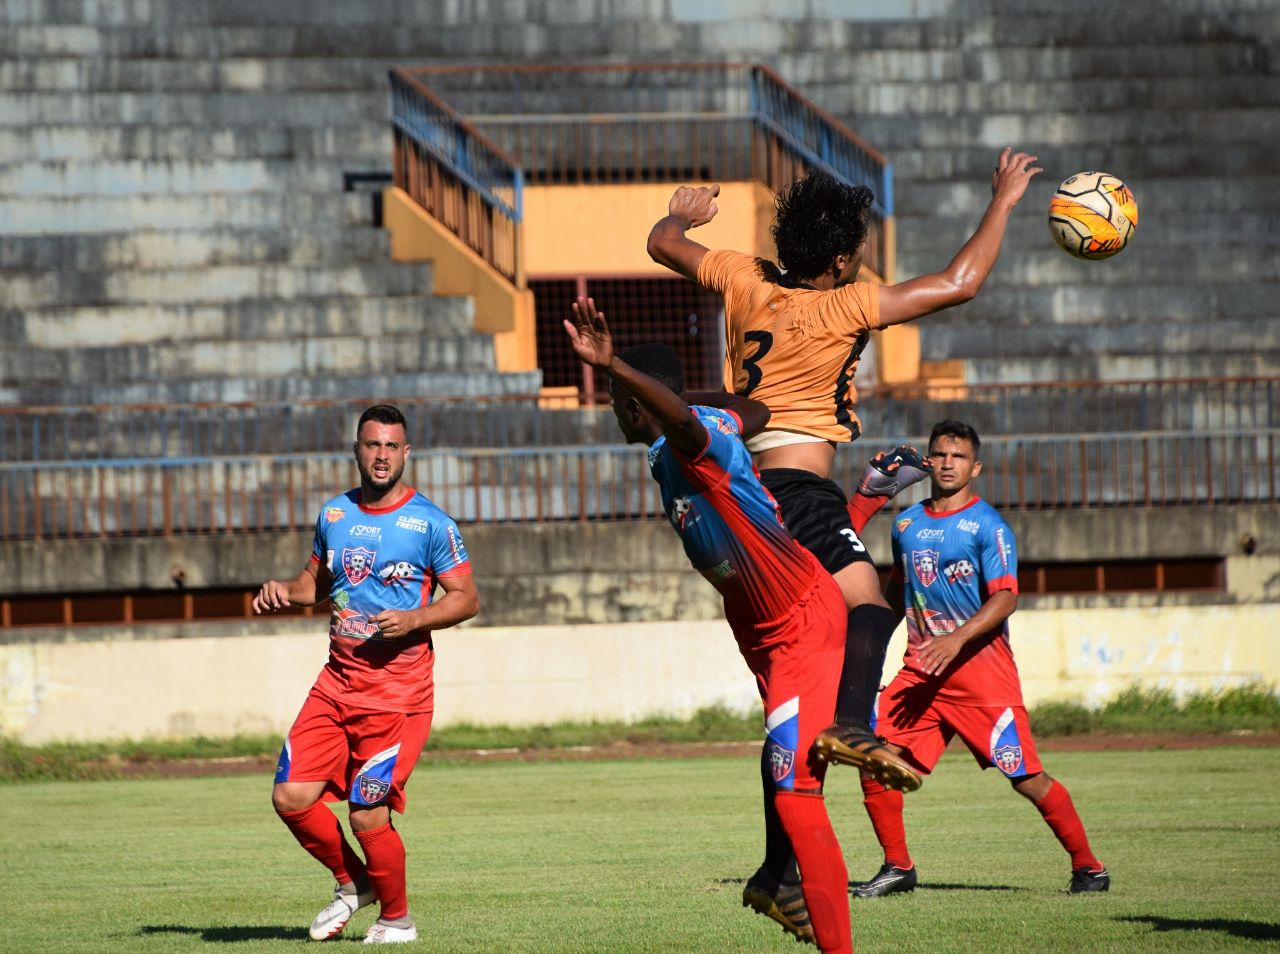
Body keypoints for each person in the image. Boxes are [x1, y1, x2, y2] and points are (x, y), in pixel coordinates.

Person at [647, 148, 1043, 911]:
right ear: (835, 260)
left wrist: (682, 217)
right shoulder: (844, 306)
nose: (862, 261)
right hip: (798, 490)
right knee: (870, 607)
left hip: (738, 497)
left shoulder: (742, 277)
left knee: (793, 696)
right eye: (856, 250)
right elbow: (961, 283)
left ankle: (774, 871)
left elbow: (663, 245)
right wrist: (1002, 201)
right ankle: (856, 725)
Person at [564, 296, 854, 953]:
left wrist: (616, 366)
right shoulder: (699, 423)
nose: (614, 412)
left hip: (801, 617)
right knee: (786, 762)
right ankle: (777, 880)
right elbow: (753, 408)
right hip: (763, 627)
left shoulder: (691, 445)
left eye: (616, 401)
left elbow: (699, 427)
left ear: (638, 407)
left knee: (799, 796)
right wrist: (648, 383)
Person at [850, 420, 1109, 898]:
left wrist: (956, 638)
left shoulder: (989, 526)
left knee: (1027, 779)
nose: (949, 463)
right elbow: (895, 592)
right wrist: (862, 642)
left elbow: (1006, 597)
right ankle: (897, 867)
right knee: (872, 757)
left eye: (959, 456)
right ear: (927, 462)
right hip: (921, 674)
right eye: (940, 455)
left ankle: (1089, 868)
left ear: (976, 466)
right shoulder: (906, 524)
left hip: (981, 679)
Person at [254, 403, 481, 944]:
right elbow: (317, 584)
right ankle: (353, 882)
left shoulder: (429, 522)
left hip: (397, 698)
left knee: (366, 813)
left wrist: (414, 619)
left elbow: (468, 598)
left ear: (407, 453)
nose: (381, 456)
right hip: (335, 685)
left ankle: (397, 920)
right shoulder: (334, 514)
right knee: (290, 798)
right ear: (357, 450)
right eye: (371, 445)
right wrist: (285, 592)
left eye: (391, 446)